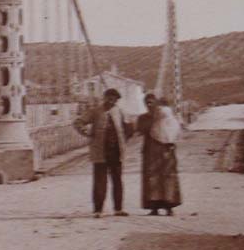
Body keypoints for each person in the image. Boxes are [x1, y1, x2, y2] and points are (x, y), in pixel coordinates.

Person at [74, 87, 134, 217]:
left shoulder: (120, 112)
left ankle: (118, 209)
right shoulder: (95, 112)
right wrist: (87, 133)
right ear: (105, 98)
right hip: (100, 151)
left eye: (114, 99)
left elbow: (129, 127)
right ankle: (98, 210)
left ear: (117, 100)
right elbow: (78, 122)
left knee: (117, 180)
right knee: (100, 181)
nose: (111, 101)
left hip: (116, 151)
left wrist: (124, 139)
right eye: (109, 98)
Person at [136, 93, 182, 216]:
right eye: (147, 102)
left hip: (166, 150)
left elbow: (173, 130)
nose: (149, 105)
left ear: (156, 103)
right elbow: (140, 130)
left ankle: (169, 206)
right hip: (150, 151)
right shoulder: (144, 118)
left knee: (168, 176)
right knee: (152, 178)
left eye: (152, 102)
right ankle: (154, 207)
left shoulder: (165, 115)